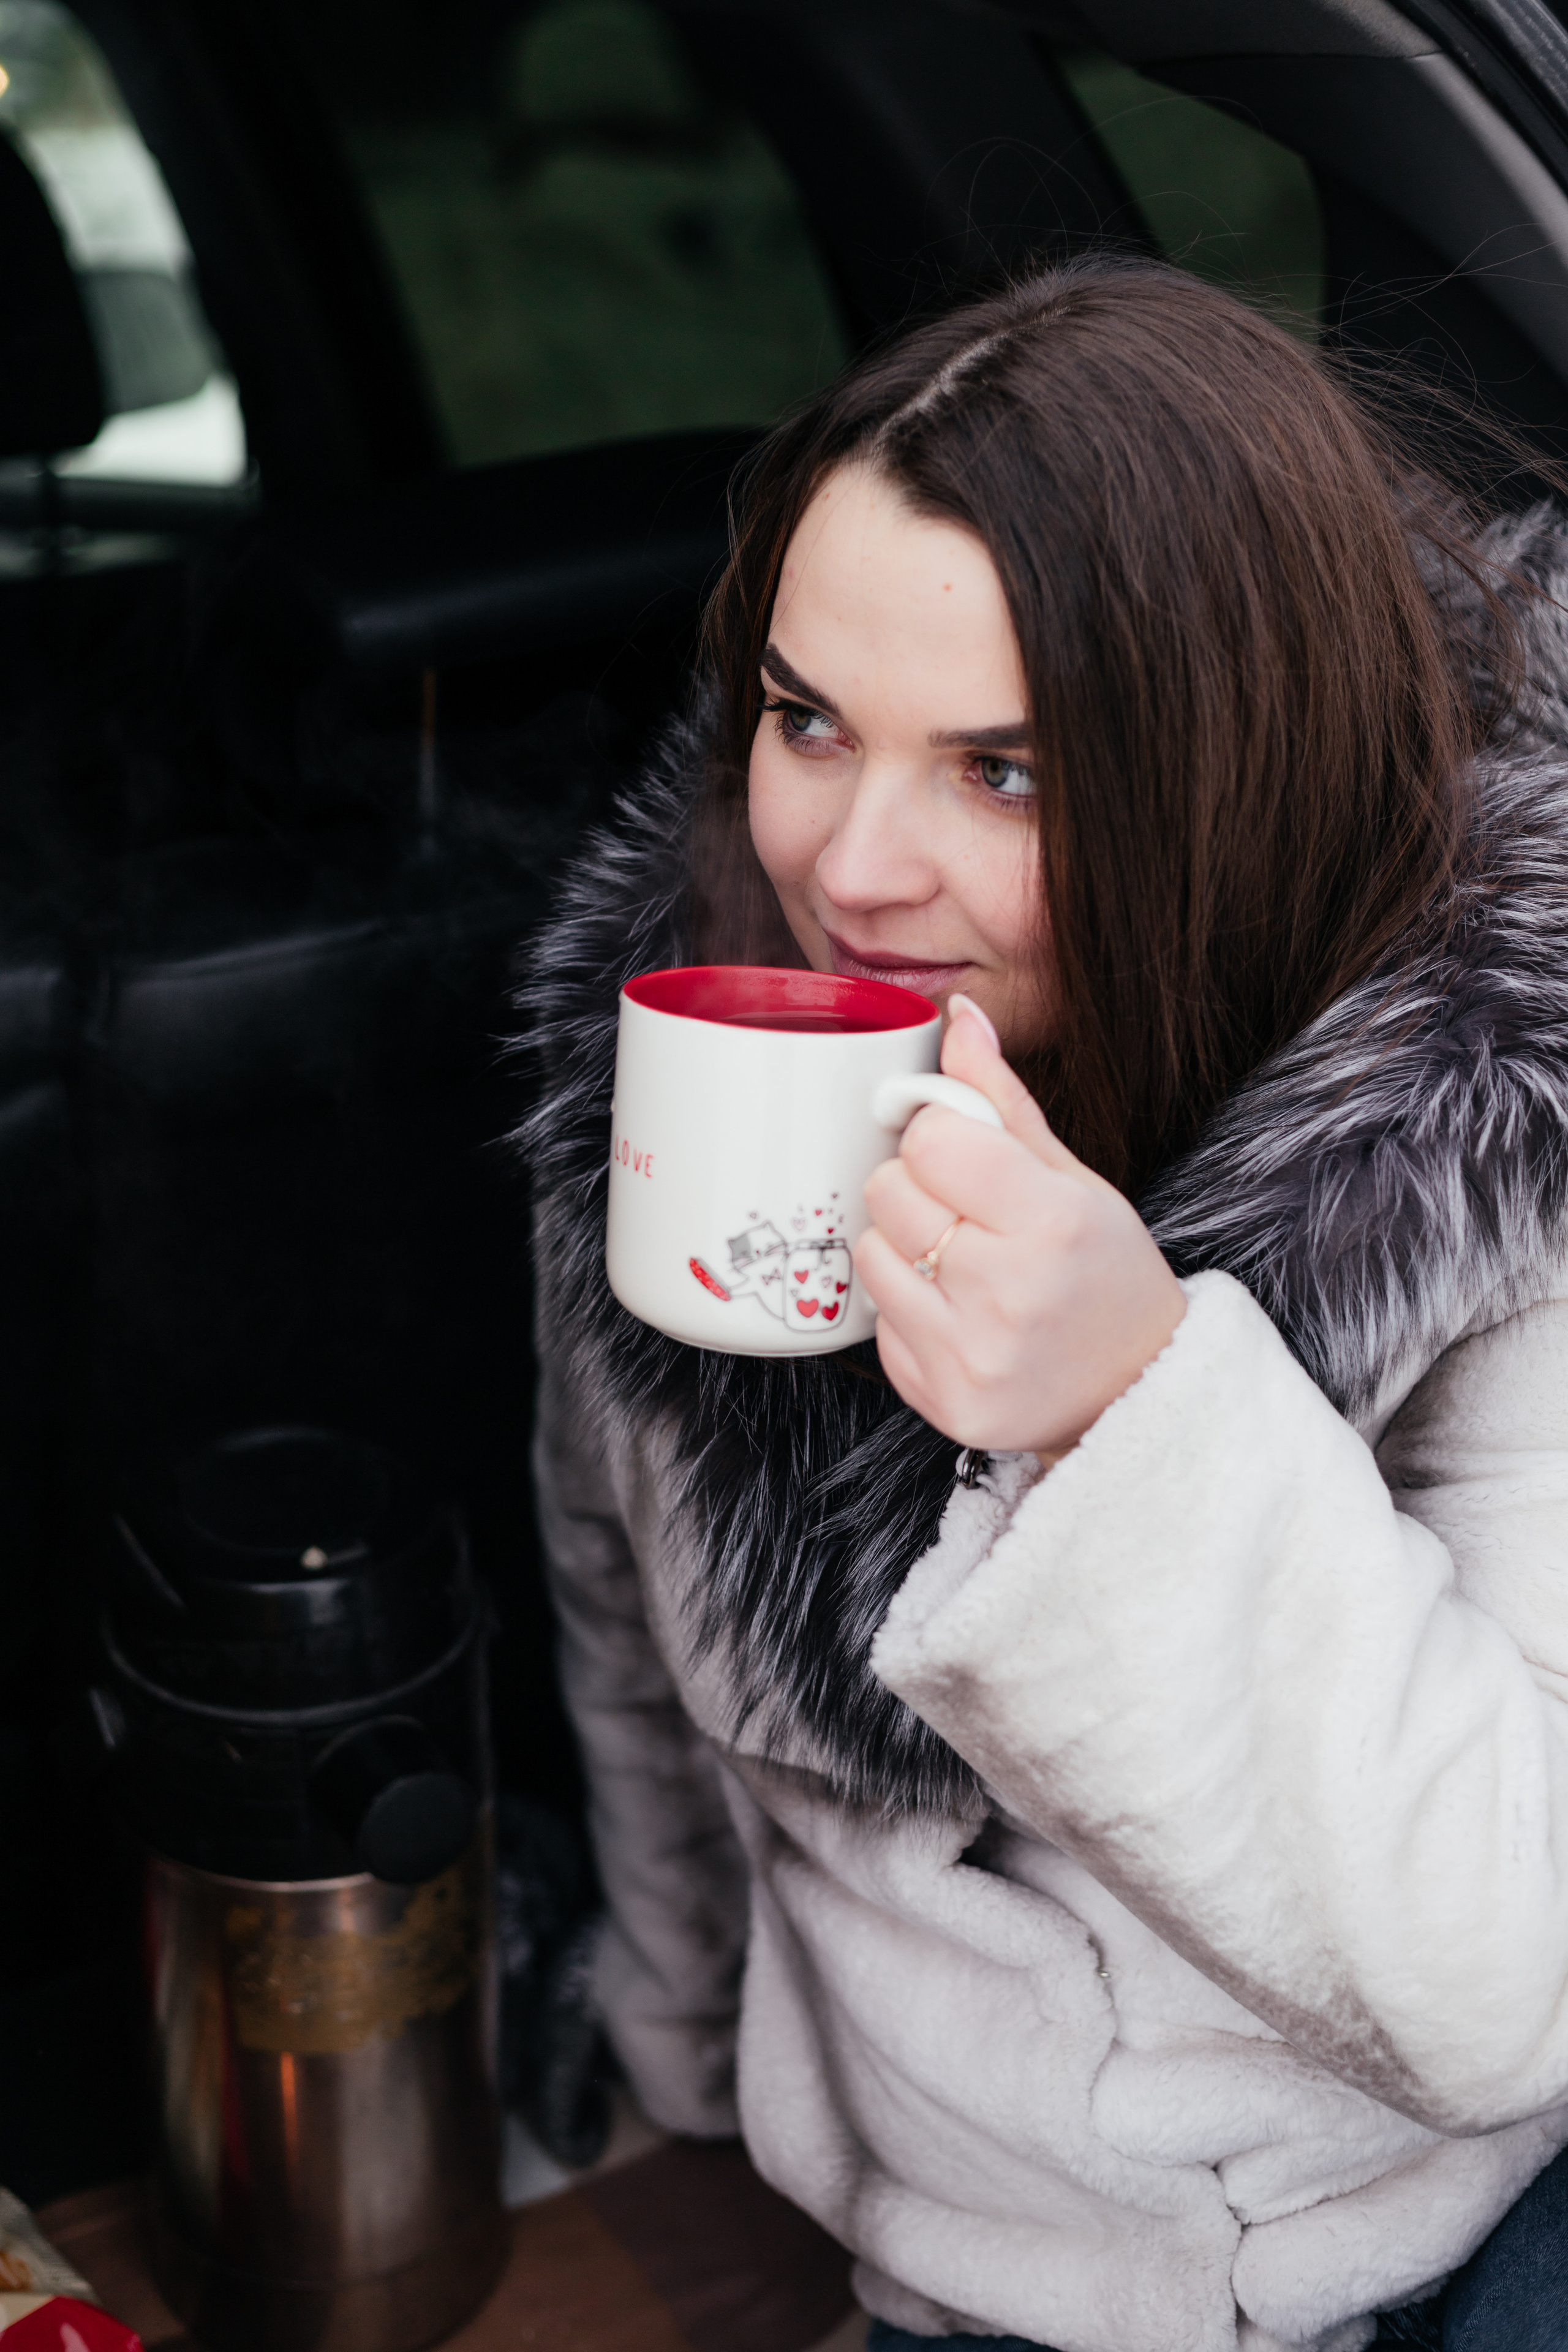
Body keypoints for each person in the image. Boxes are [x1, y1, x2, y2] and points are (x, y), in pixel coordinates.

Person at [518, 258, 1568, 2352]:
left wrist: (1131, 1414)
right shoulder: (705, 1094)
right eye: (811, 722)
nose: (853, 867)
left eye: (1003, 771)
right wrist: (675, 2067)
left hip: (1447, 2226)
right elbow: (624, 1615)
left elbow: (1511, 1988)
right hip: (965, 2264)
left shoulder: (1494, 1153)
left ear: (1232, 775)